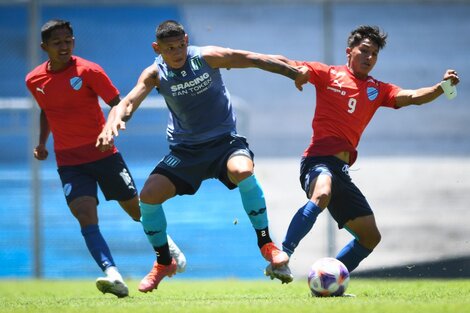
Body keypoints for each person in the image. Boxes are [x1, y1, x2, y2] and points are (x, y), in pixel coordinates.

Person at [96, 19, 309, 291]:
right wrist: (112, 122)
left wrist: (292, 73)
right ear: (157, 48)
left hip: (224, 143)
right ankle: (164, 261)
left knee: (243, 170)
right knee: (148, 196)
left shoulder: (206, 57)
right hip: (186, 152)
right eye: (169, 48)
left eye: (180, 46)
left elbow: (252, 58)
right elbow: (127, 102)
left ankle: (266, 244)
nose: (176, 53)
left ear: (186, 40)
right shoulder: (154, 73)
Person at [265, 25, 460, 281]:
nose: (369, 58)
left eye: (374, 55)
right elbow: (289, 63)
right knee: (322, 192)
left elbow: (412, 96)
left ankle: (326, 278)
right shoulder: (328, 74)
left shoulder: (378, 89)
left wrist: (440, 88)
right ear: (349, 51)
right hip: (318, 160)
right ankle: (282, 257)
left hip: (341, 171)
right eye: (364, 51)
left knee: (370, 237)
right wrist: (283, 69)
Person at [25, 19, 186, 298]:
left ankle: (168, 247)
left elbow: (117, 104)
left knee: (136, 211)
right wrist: (41, 142)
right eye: (57, 43)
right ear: (44, 47)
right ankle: (113, 275)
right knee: (85, 215)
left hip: (103, 155)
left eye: (68, 41)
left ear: (73, 41)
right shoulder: (34, 80)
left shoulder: (89, 71)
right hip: (69, 162)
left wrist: (107, 130)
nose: (63, 47)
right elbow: (46, 109)